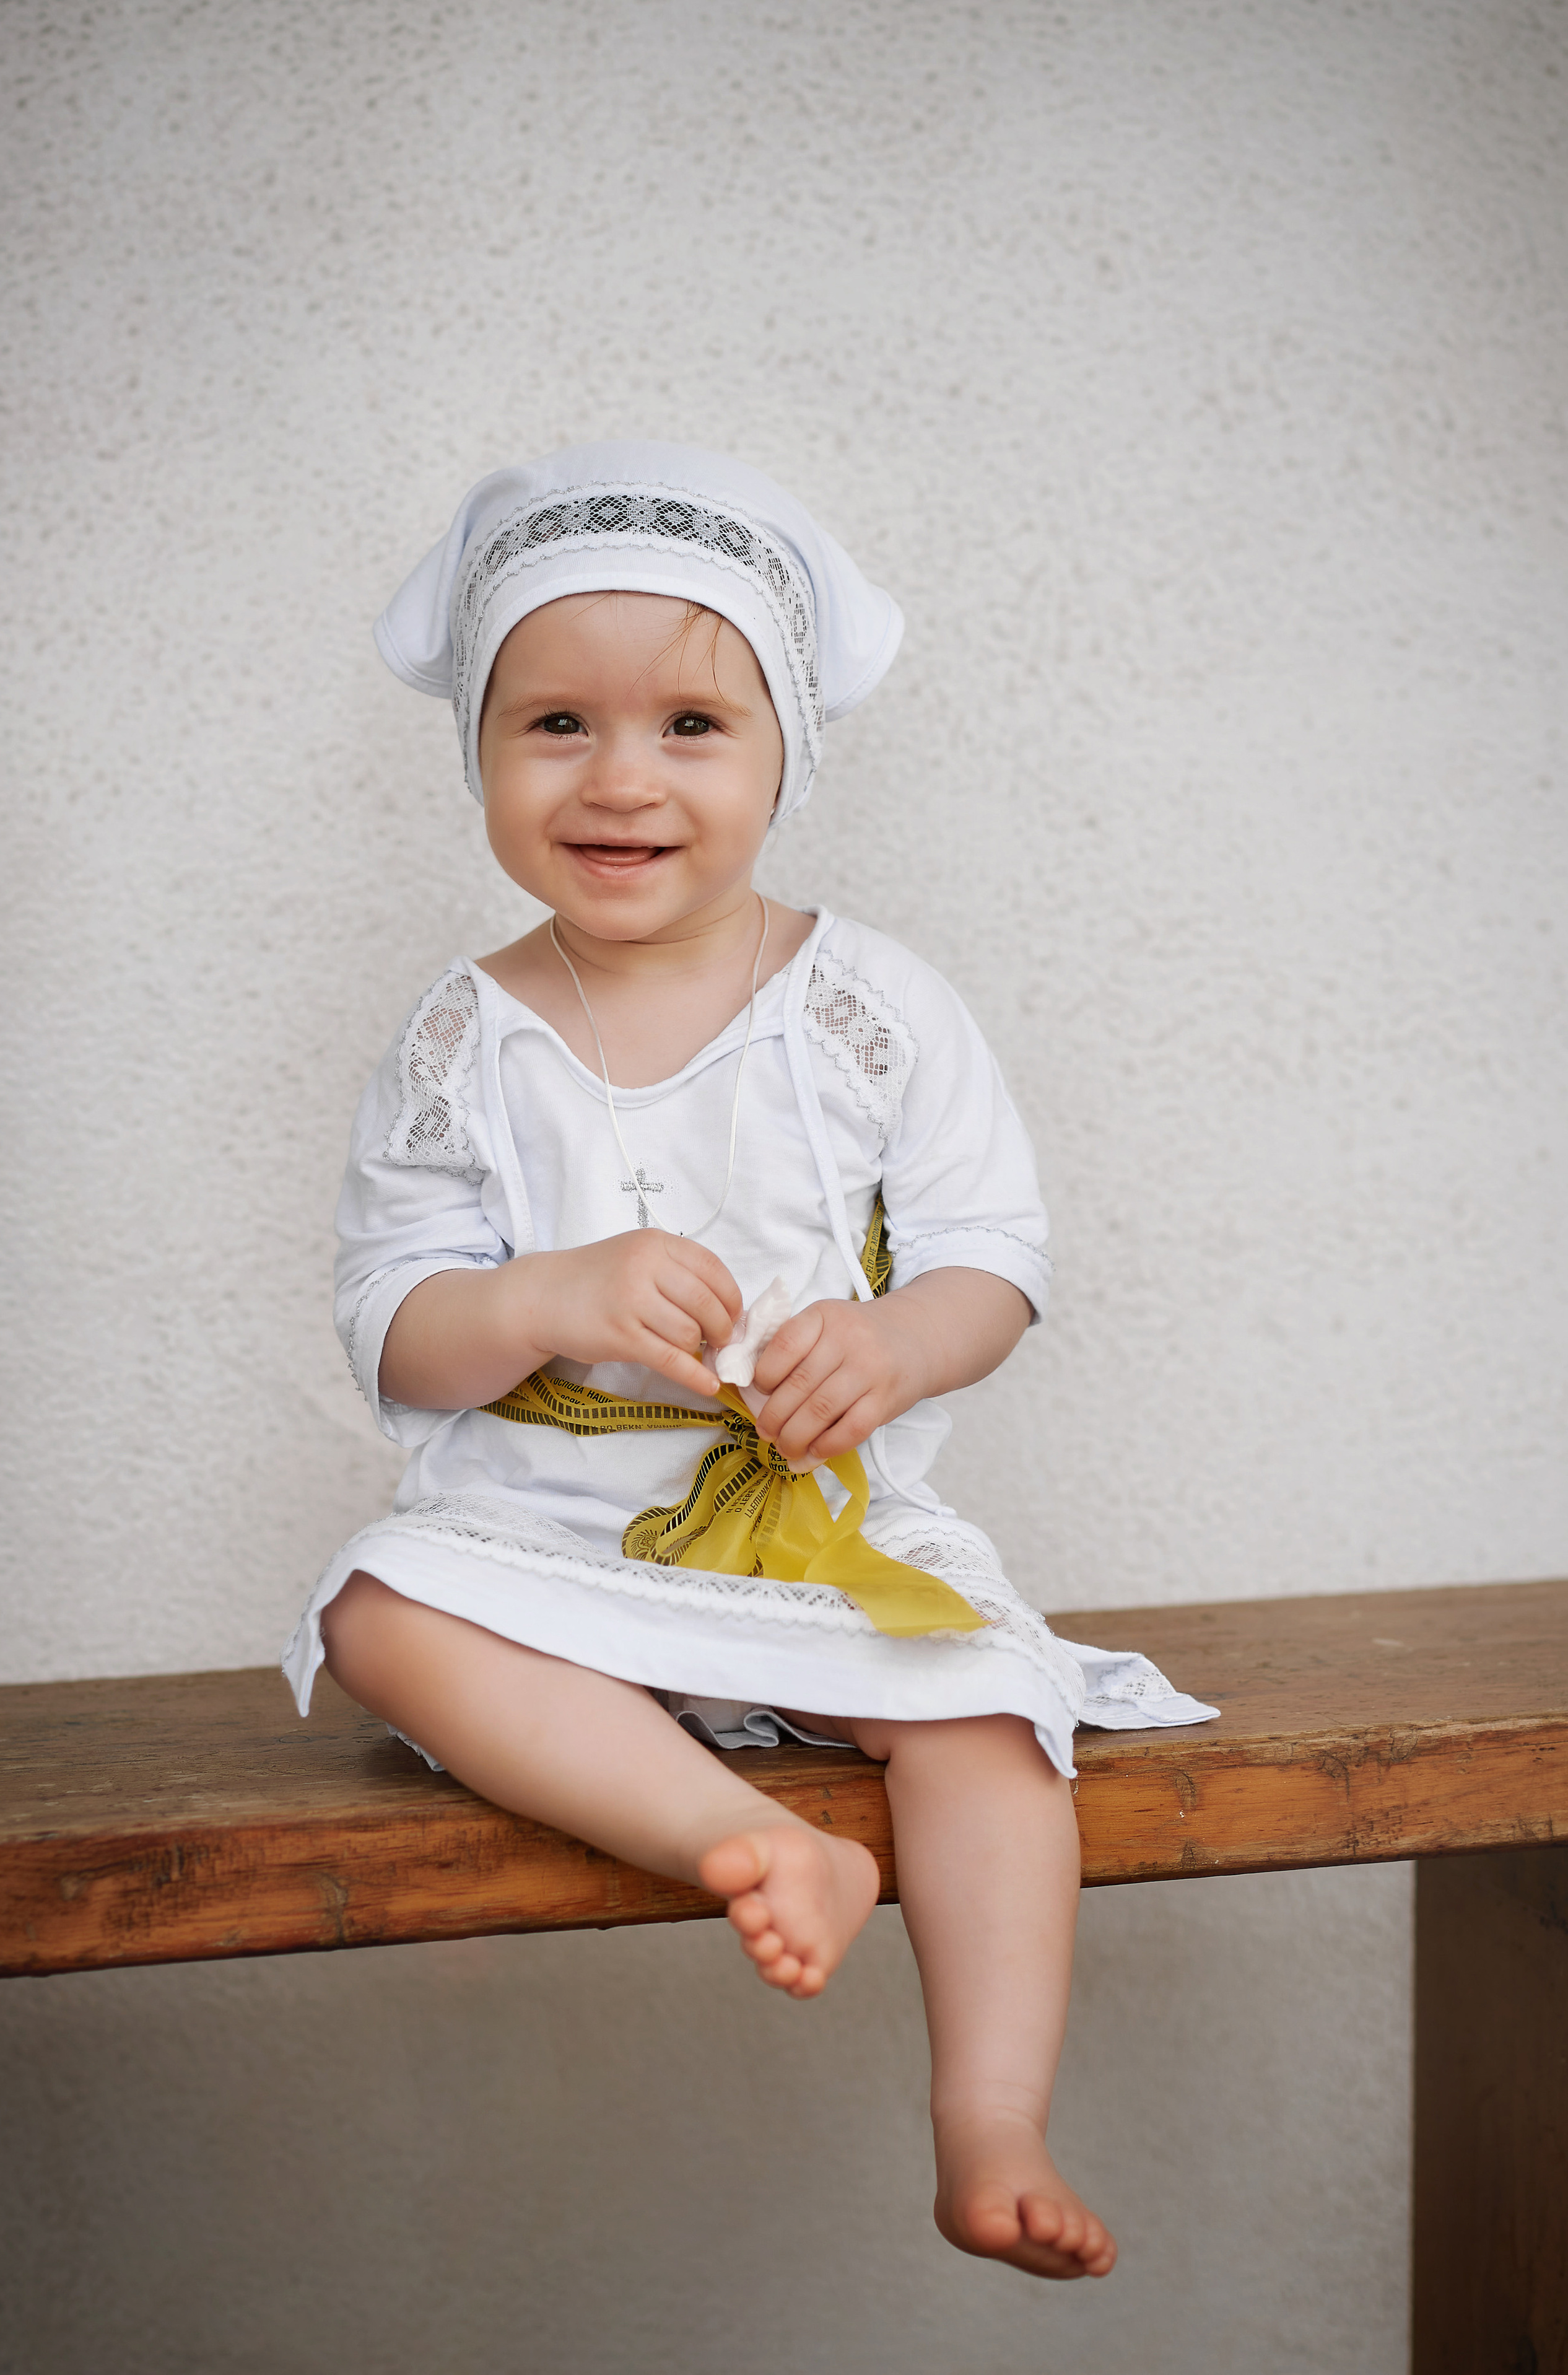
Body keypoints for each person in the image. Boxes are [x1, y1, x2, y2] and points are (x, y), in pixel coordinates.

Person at [283, 443, 1216, 2281]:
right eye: (554, 719)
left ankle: (990, 2116)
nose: (621, 777)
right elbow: (392, 1316)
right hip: (550, 1536)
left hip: (812, 1520)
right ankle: (753, 1838)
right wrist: (543, 1296)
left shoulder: (870, 1009)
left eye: (693, 724)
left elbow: (992, 1256)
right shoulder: (467, 1037)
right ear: (476, 751)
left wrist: (888, 1341)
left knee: (989, 1725)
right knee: (381, 1609)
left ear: (785, 751)